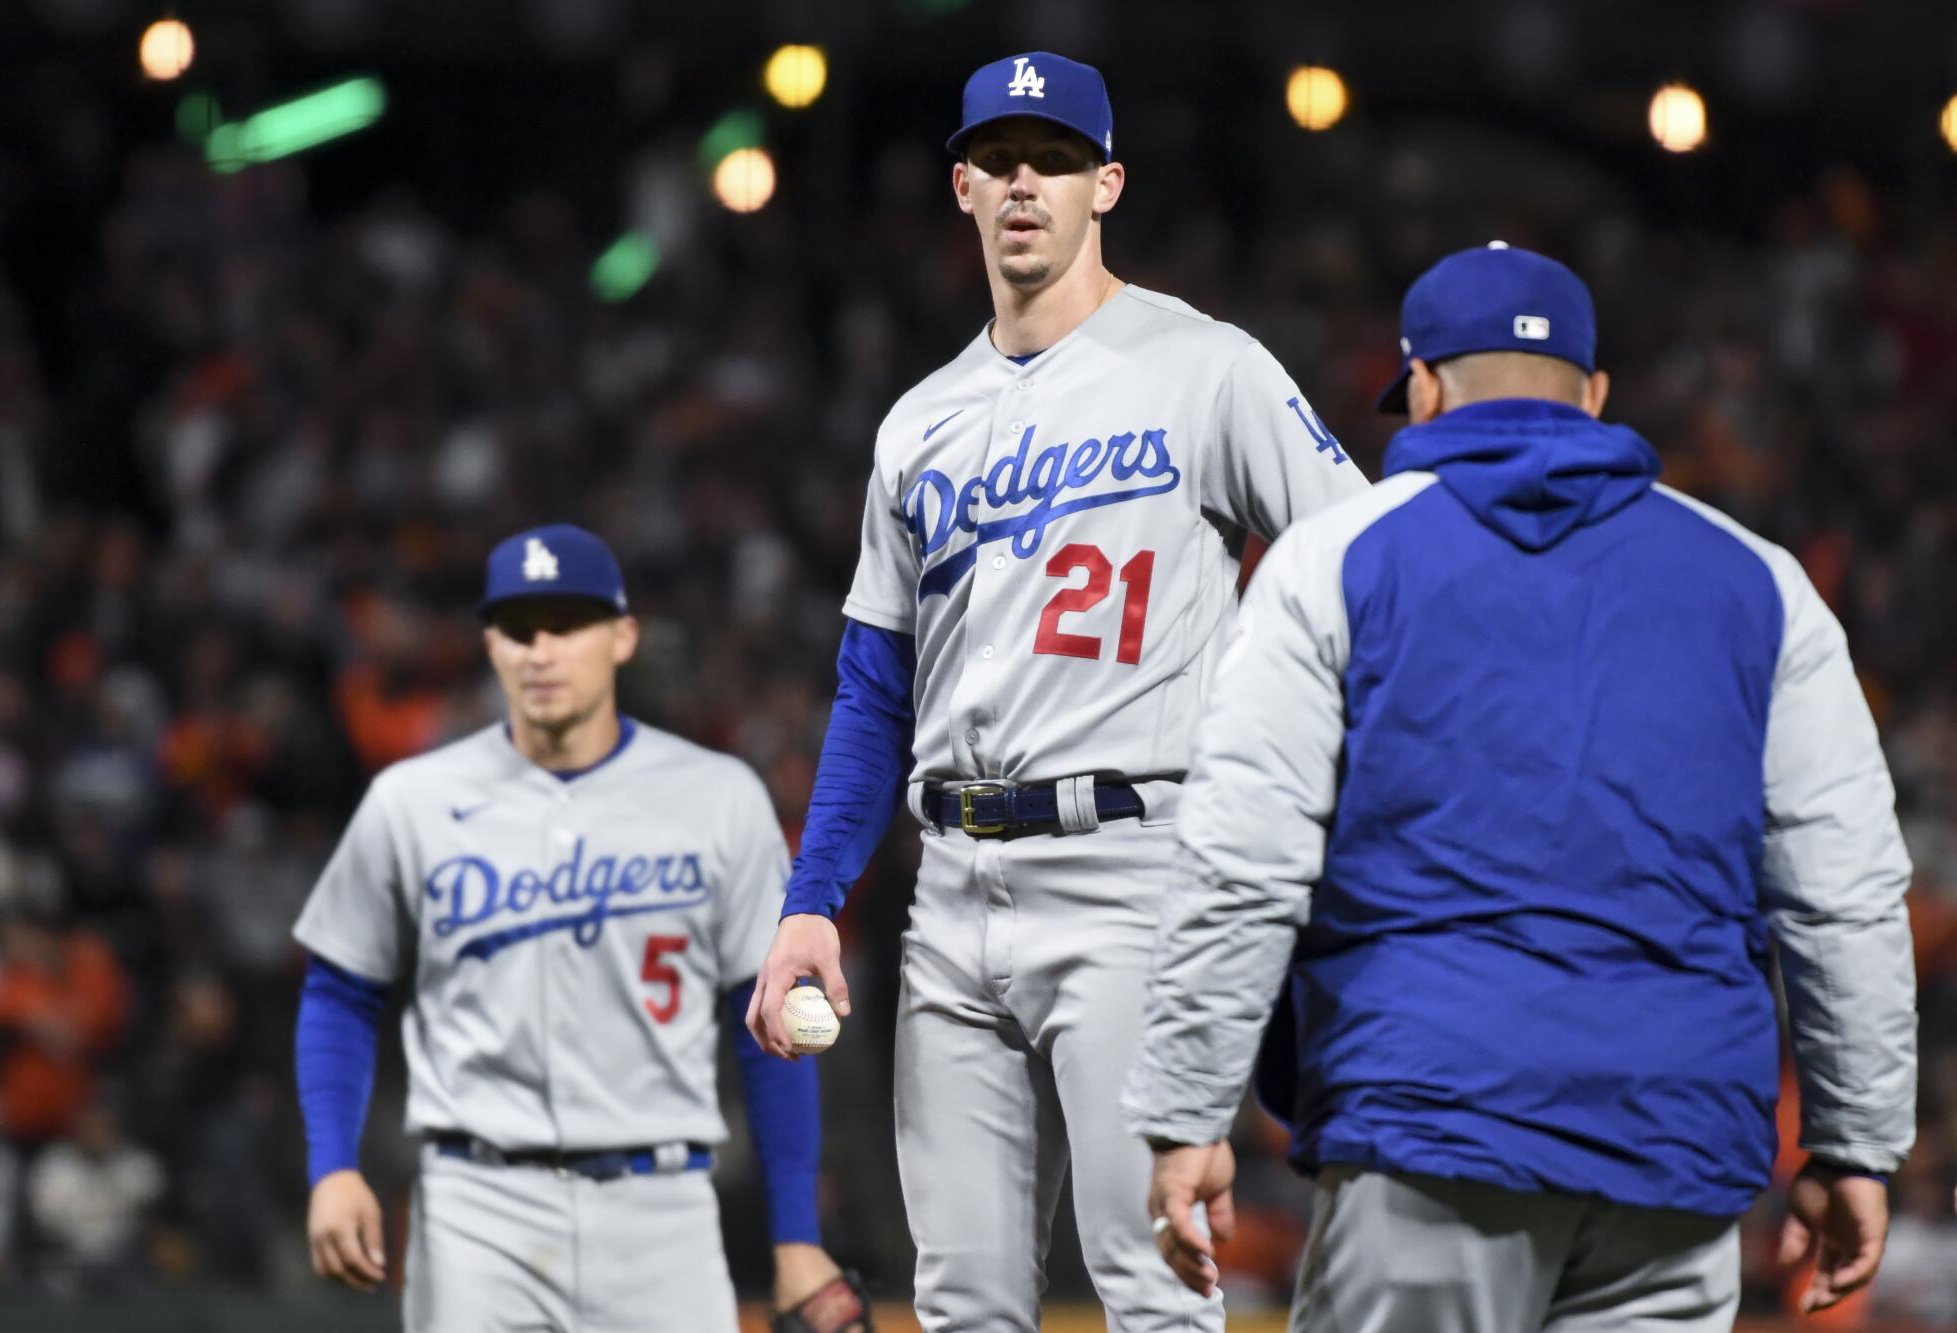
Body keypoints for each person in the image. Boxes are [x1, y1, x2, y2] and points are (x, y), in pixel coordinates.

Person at [1121, 243, 1918, 1331]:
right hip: (1671, 1158)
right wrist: (1854, 1145)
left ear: (1422, 389)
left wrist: (1183, 1115)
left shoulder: (1330, 560)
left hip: (1423, 1131)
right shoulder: (1757, 581)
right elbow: (1844, 897)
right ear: (1593, 396)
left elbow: (1240, 864)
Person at [744, 51, 1366, 1331]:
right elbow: (874, 687)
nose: (1029, 182)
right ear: (962, 185)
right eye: (1004, 160)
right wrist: (813, 900)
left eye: (1059, 160)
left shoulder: (1206, 367)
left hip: (1136, 870)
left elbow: (1363, 569)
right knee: (963, 1299)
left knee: (1152, 1289)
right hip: (951, 890)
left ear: (1107, 185)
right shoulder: (918, 423)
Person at [291, 524, 867, 1333]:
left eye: (568, 624)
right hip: (476, 1208)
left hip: (662, 1210)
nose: (541, 650)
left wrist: (798, 1235)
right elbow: (340, 988)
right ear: (489, 643)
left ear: (623, 635)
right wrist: (332, 1165)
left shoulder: (716, 795)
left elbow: (766, 1022)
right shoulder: (411, 799)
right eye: (519, 629)